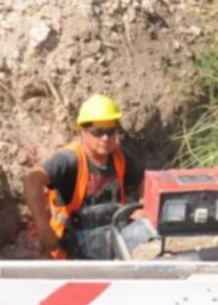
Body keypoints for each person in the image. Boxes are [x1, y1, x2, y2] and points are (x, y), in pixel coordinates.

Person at [23, 94, 153, 260]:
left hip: (111, 247)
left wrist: (143, 207)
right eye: (98, 132)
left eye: (111, 131)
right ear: (83, 131)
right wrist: (43, 228)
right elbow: (32, 180)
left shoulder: (120, 156)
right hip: (70, 255)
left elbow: (145, 179)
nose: (106, 138)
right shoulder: (69, 160)